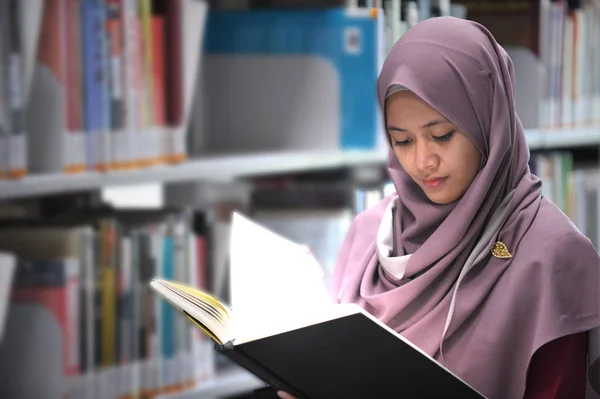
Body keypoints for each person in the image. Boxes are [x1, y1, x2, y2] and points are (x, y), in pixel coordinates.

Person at [274, 15, 600, 399]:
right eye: (403, 141)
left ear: (487, 120)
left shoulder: (553, 257)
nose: (423, 161)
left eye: (441, 135)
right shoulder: (368, 233)